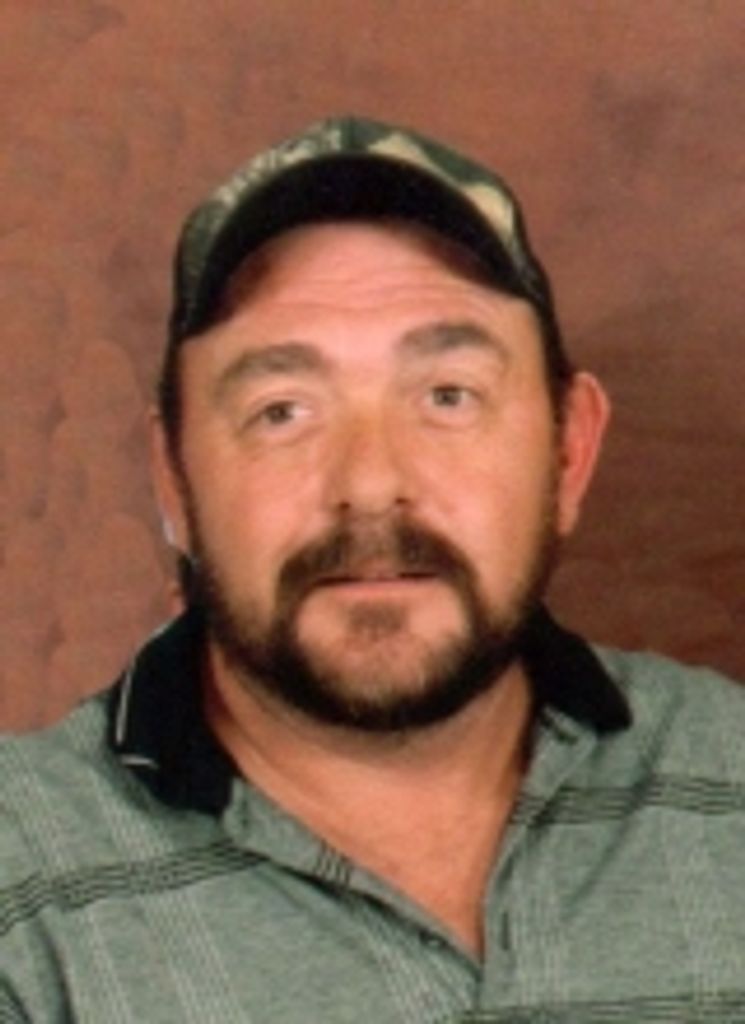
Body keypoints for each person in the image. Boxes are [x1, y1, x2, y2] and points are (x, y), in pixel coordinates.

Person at [2, 116, 745, 1023]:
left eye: (447, 397)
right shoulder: (21, 888)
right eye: (282, 410)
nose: (369, 484)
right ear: (174, 480)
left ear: (568, 454)